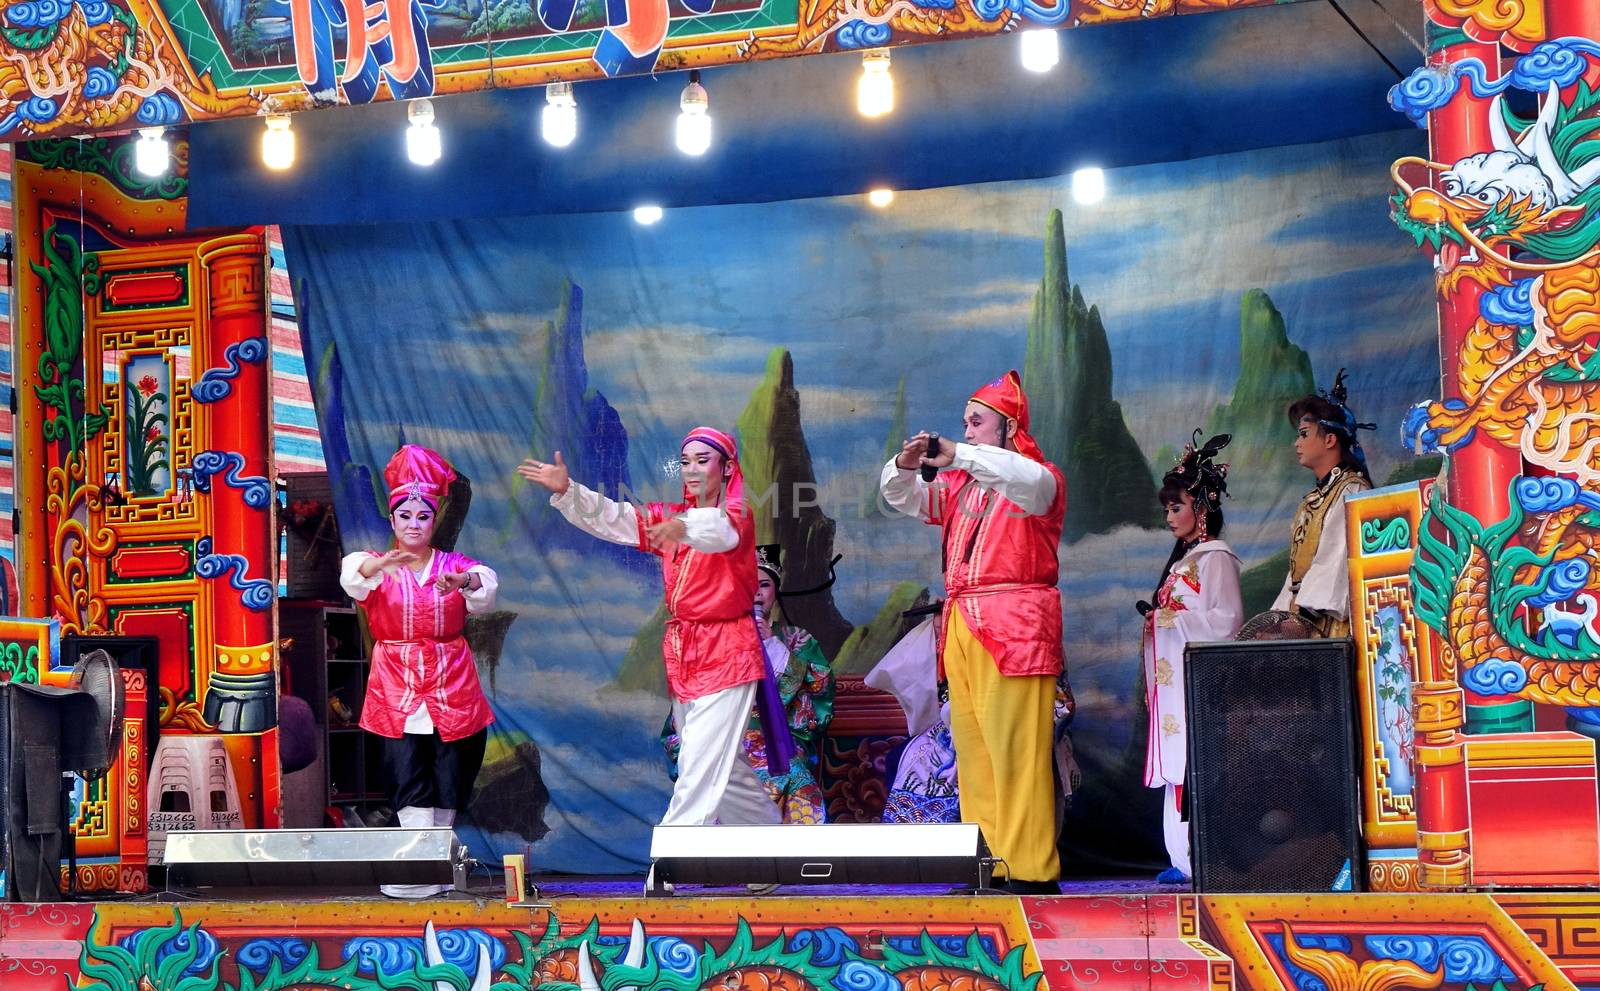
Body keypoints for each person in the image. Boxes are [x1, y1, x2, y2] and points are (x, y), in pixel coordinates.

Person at [518, 429, 792, 834]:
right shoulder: (669, 519)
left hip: (728, 649)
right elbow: (618, 519)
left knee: (698, 763)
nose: (692, 469)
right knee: (724, 771)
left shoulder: (736, 515)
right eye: (685, 462)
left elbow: (720, 531)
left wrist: (683, 526)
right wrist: (570, 492)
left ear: (727, 467)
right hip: (687, 652)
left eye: (703, 460)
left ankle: (670, 862)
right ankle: (772, 853)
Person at [879, 370, 1068, 895]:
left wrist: (957, 454)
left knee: (1015, 751)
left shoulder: (1040, 479)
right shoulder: (962, 490)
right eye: (964, 423)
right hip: (964, 624)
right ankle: (988, 867)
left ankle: (1028, 868)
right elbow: (901, 497)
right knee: (976, 753)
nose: (967, 431)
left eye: (977, 422)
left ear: (1008, 427)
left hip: (1015, 623)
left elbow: (1024, 479)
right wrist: (904, 465)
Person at [341, 445, 498, 899]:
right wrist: (378, 564)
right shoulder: (372, 564)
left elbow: (485, 585)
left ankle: (441, 863)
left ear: (434, 522)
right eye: (404, 515)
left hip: (452, 679)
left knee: (450, 771)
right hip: (397, 679)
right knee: (406, 768)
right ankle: (415, 865)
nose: (413, 523)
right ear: (392, 522)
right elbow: (353, 576)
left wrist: (462, 583)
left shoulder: (456, 565)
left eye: (422, 516)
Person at [661, 544, 834, 823]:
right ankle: (713, 864)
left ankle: (794, 861)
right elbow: (683, 711)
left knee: (797, 777)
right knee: (708, 775)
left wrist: (772, 647)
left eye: (763, 585)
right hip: (722, 741)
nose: (755, 592)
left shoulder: (797, 640)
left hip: (778, 744)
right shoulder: (709, 640)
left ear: (775, 592)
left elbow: (819, 695)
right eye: (745, 584)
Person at [1138, 432, 1243, 885]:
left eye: (1176, 507)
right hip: (1175, 684)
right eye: (1167, 509)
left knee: (1193, 764)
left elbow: (1227, 622)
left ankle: (1202, 858)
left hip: (1197, 684)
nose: (1169, 517)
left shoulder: (1215, 559)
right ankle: (1182, 858)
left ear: (1202, 508)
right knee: (1178, 766)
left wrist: (1170, 621)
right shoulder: (1188, 562)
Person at [1272, 369, 1375, 638]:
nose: (1296, 443)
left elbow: (1334, 563)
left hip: (1328, 628)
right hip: (1302, 621)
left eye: (1304, 434)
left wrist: (1300, 618)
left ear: (1330, 440)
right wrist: (1279, 618)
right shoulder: (1312, 500)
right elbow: (1296, 574)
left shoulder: (1351, 491)